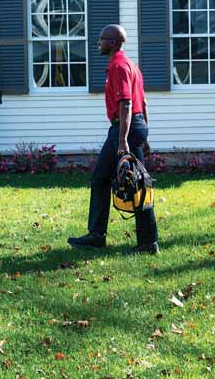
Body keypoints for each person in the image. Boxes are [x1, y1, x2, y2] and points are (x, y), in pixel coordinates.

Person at [67, 24, 159, 255]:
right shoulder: (131, 65)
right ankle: (148, 242)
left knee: (101, 178)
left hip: (124, 128)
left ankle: (97, 236)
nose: (98, 42)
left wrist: (122, 140)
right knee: (139, 184)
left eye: (102, 39)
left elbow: (126, 103)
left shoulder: (118, 65)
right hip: (136, 126)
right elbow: (143, 103)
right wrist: (144, 136)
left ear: (114, 42)